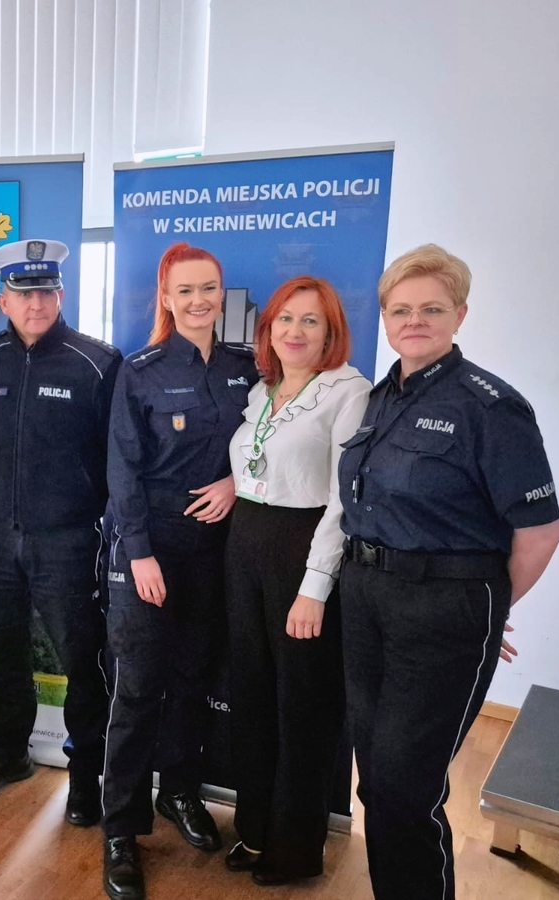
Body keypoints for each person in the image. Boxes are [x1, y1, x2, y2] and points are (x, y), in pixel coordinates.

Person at [337, 244, 559, 900]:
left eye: (431, 309)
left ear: (459, 314)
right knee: (377, 783)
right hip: (367, 598)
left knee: (406, 789)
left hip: (442, 609)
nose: (415, 320)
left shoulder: (490, 407)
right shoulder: (380, 398)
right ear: (385, 318)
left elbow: (542, 533)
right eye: (401, 310)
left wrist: (484, 612)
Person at [100, 242, 258, 900]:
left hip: (218, 549)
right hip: (152, 546)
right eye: (185, 290)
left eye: (209, 288)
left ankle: (181, 792)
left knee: (194, 681)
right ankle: (120, 830)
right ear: (166, 298)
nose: (199, 300)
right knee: (138, 691)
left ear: (222, 295)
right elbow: (122, 469)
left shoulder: (248, 367)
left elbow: (269, 442)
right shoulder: (139, 371)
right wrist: (139, 553)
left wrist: (235, 480)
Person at [0, 239, 122, 826]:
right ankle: (8, 754)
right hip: (2, 536)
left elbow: (118, 456)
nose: (36, 304)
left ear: (61, 295)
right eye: (23, 294)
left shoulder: (97, 362)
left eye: (46, 292)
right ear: (2, 300)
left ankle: (85, 777)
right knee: (2, 650)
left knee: (81, 660)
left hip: (69, 539)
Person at [223, 276, 371, 885]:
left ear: (331, 331)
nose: (295, 331)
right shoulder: (262, 391)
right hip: (245, 546)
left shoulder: (348, 391)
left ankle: (295, 849)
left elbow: (342, 500)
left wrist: (314, 588)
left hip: (302, 551)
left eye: (310, 320)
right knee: (253, 698)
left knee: (302, 707)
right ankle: (256, 829)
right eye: (285, 319)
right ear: (268, 329)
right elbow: (255, 466)